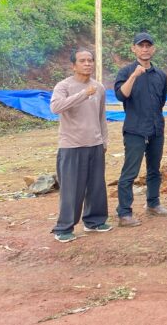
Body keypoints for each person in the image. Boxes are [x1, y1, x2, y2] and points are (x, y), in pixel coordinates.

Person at [49, 48, 111, 242]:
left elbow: (101, 116)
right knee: (72, 189)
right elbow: (55, 107)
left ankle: (94, 221)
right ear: (73, 66)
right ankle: (64, 228)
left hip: (95, 143)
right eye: (82, 61)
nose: (87, 64)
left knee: (96, 186)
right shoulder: (64, 86)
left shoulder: (99, 87)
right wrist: (83, 94)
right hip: (72, 145)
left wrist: (104, 140)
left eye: (90, 60)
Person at [114, 32, 167, 227]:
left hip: (156, 129)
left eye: (148, 46)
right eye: (141, 46)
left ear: (153, 49)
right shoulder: (125, 72)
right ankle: (124, 213)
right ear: (134, 49)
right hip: (135, 130)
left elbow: (161, 101)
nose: (145, 49)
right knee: (130, 172)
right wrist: (134, 76)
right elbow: (121, 96)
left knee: (154, 169)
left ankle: (153, 203)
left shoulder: (160, 75)